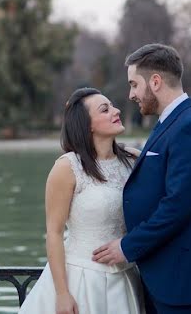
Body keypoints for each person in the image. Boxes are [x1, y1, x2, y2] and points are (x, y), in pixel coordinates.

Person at [93, 43, 191, 314]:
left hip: (183, 287)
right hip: (164, 279)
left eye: (134, 84)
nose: (131, 94)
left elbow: (177, 206)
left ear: (155, 82)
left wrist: (128, 247)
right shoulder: (171, 122)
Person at [18, 87, 144, 314]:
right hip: (82, 280)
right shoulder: (67, 167)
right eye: (105, 110)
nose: (115, 111)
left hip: (126, 277)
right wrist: (62, 294)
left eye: (112, 106)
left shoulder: (133, 160)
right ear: (88, 125)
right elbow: (54, 233)